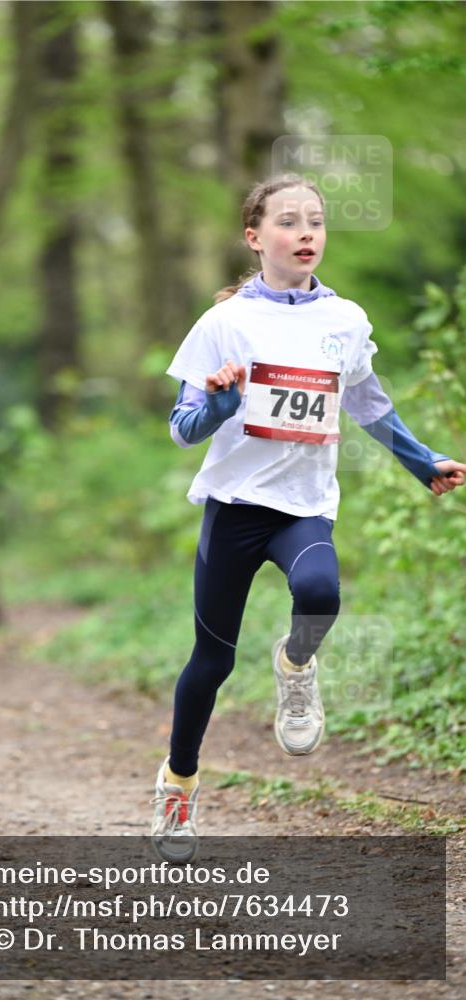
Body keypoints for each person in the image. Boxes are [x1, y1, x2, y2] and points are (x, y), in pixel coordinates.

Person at [151, 172, 466, 863]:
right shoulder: (224, 323)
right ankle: (177, 785)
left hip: (302, 509)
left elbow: (368, 404)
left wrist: (422, 462)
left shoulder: (344, 321)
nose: (304, 233)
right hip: (234, 512)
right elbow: (181, 428)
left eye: (315, 222)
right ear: (253, 236)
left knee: (320, 593)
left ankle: (295, 667)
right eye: (288, 221)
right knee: (211, 661)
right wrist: (220, 406)